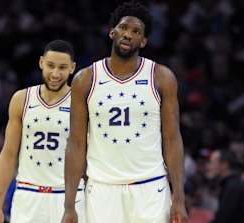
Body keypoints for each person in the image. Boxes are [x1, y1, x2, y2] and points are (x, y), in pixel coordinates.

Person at [61, 1, 187, 223]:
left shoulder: (161, 77)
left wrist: (179, 198)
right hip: (102, 188)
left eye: (136, 31)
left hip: (150, 187)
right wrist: (69, 204)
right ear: (112, 32)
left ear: (144, 41)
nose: (128, 34)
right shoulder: (85, 79)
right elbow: (76, 143)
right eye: (124, 28)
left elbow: (172, 138)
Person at [0, 40, 85, 223]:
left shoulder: (81, 103)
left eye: (62, 67)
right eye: (50, 66)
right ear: (41, 63)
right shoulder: (21, 99)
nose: (55, 73)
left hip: (69, 197)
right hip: (28, 195)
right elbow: (8, 154)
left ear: (72, 68)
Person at [209, 150, 244, 223]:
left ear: (224, 165)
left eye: (213, 163)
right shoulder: (233, 184)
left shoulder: (233, 187)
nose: (210, 167)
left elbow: (222, 219)